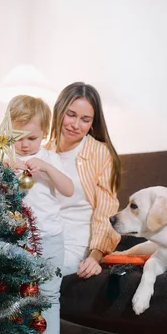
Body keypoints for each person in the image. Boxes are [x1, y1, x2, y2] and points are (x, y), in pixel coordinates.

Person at [4, 95, 74, 334]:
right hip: (16, 237)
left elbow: (68, 190)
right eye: (17, 136)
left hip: (50, 236)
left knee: (49, 293)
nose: (24, 144)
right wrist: (8, 168)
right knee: (10, 291)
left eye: (31, 138)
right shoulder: (5, 157)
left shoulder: (50, 158)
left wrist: (45, 167)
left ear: (44, 134)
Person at [46, 82, 122, 279]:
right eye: (70, 115)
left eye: (85, 120)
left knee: (43, 275)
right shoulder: (43, 152)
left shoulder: (100, 153)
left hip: (77, 243)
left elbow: (106, 211)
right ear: (59, 110)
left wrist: (95, 256)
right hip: (44, 238)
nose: (75, 125)